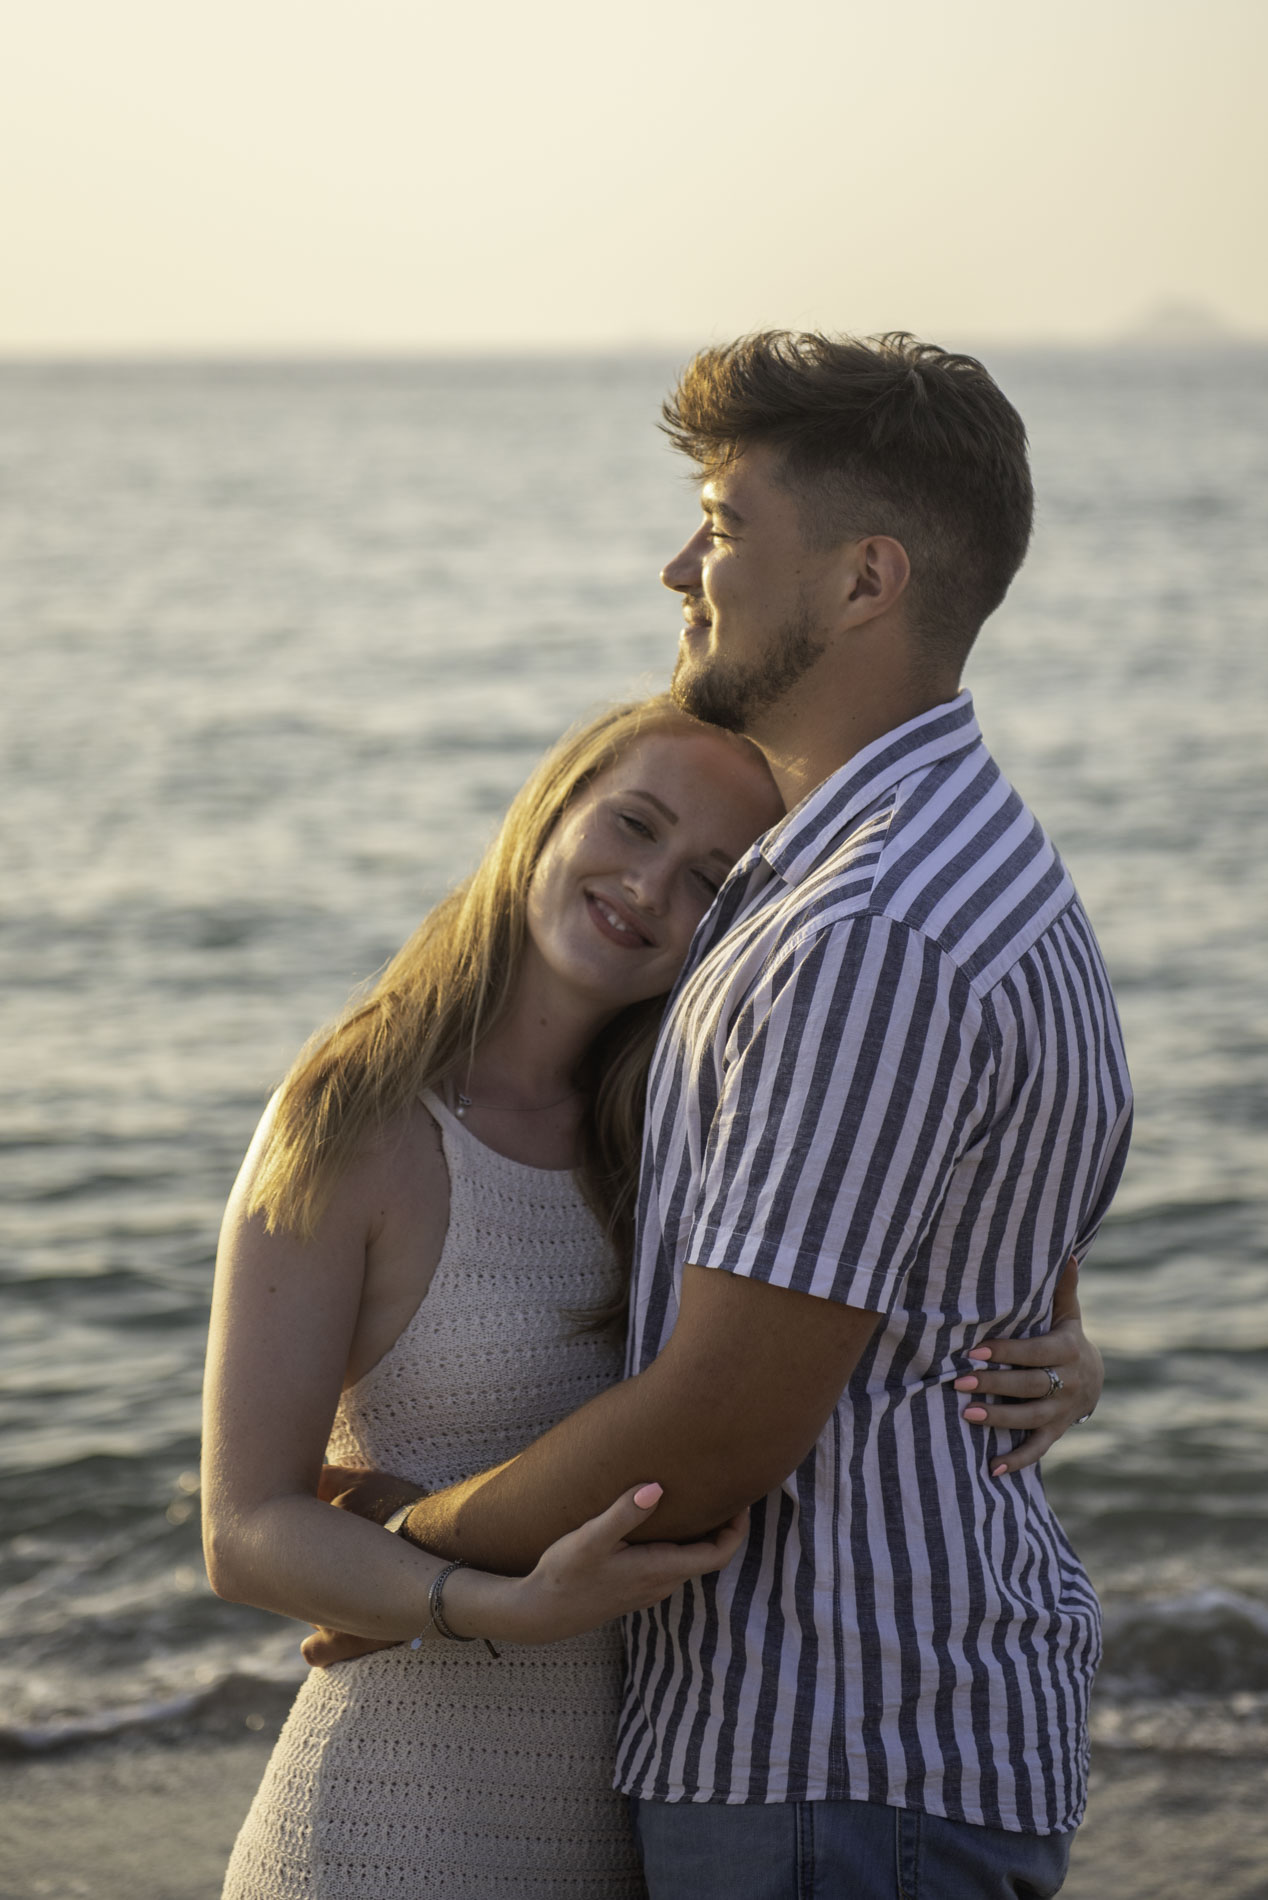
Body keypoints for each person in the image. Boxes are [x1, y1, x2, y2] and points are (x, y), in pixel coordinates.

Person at [313, 333, 1131, 1899]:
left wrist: (411, 1556)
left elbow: (717, 1429)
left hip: (837, 1759)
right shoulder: (926, 867)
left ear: (864, 580)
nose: (679, 562)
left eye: (725, 520)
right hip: (864, 1752)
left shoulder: (868, 930)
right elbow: (975, 1250)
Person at [204, 709, 1100, 1891]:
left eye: (706, 879)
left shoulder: (686, 1155)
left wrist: (1063, 1345)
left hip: (645, 1823)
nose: (644, 886)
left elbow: (895, 1269)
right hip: (391, 1826)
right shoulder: (354, 1118)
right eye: (631, 822)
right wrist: (480, 1601)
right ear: (550, 811)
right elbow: (245, 1529)